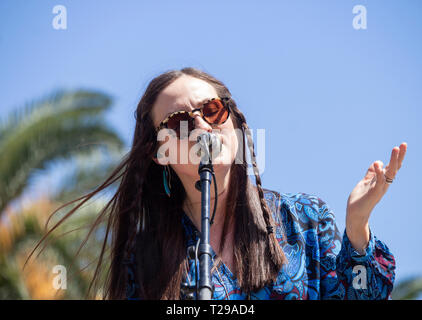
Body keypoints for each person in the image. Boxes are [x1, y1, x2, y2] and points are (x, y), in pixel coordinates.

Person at [32, 67, 407, 300]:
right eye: (180, 123)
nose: (201, 127)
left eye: (212, 111)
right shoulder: (143, 259)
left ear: (236, 122)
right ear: (159, 152)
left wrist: (357, 228)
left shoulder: (304, 220)